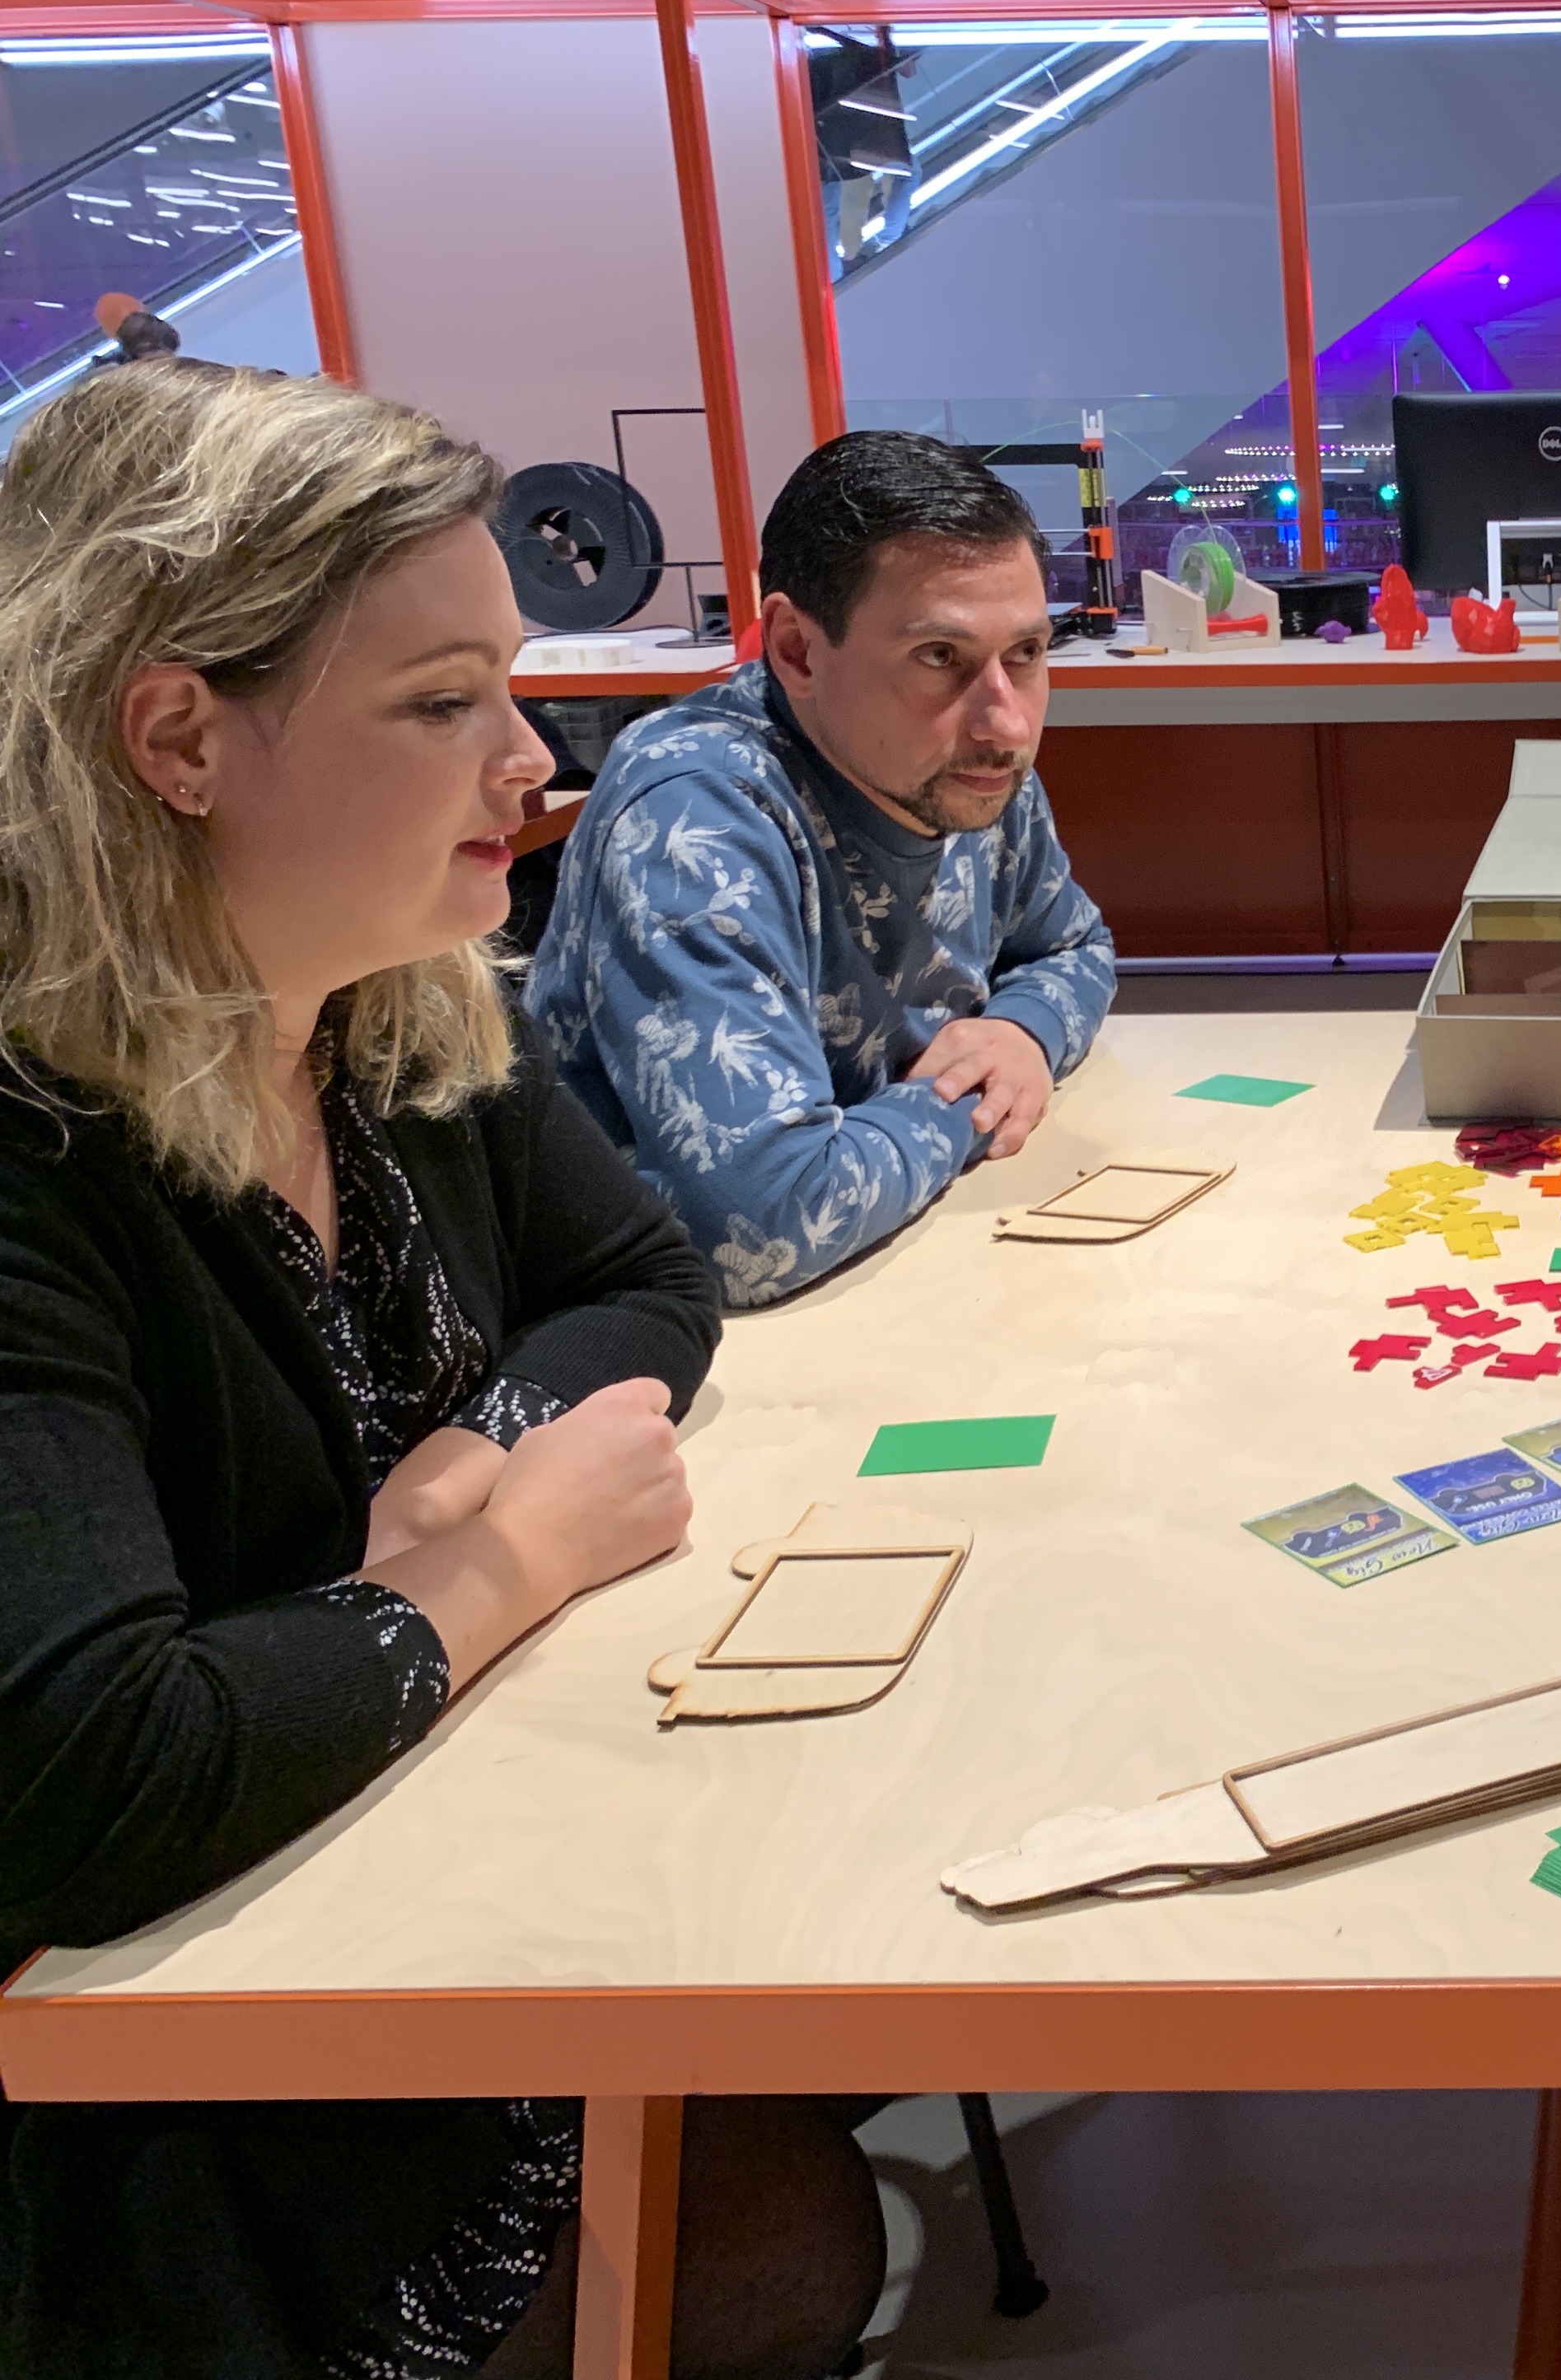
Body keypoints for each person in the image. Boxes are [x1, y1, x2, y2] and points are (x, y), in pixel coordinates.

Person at [0, 366, 885, 2377]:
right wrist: (503, 1563)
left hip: (431, 1875)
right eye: (441, 703)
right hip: (174, 2103)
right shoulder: (34, 1153)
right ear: (176, 739)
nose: (529, 760)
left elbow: (643, 1278)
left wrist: (476, 1452)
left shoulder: (382, 1007)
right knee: (767, 2237)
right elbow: (86, 1782)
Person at [526, 430, 1117, 1309]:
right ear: (797, 650)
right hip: (657, 1339)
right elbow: (760, 1224)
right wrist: (972, 1098)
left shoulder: (965, 771)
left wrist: (1022, 1033)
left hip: (893, 1273)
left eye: (1027, 654)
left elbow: (1074, 947)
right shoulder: (694, 809)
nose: (1008, 725)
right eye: (939, 657)